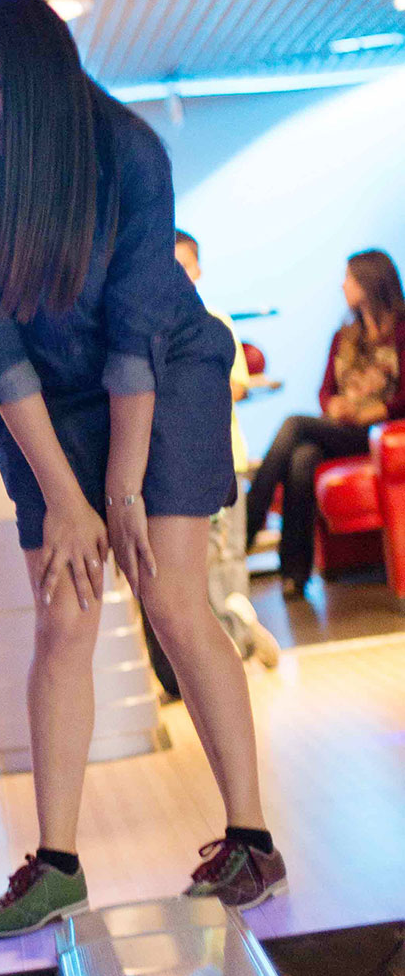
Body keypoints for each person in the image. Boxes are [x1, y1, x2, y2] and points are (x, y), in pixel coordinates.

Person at [0, 0, 284, 937]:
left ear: (39, 79)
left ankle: (251, 840)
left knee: (167, 595)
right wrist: (68, 502)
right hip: (42, 398)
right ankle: (58, 865)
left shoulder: (124, 154)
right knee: (65, 616)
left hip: (164, 369)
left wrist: (119, 487)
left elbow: (137, 329)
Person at [245, 249, 405, 596]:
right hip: (343, 428)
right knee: (302, 458)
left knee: (294, 424)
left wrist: (368, 412)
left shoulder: (402, 333)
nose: (342, 285)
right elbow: (324, 392)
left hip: (377, 432)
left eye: (348, 278)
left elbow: (403, 397)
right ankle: (294, 575)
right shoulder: (344, 335)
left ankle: (249, 520)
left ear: (369, 281)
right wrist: (334, 407)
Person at [172, 230, 280, 669]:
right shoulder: (152, 323)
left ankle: (239, 640)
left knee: (230, 554)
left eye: (184, 265)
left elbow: (235, 384)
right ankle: (226, 646)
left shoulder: (216, 320)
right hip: (181, 466)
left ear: (197, 269)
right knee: (198, 562)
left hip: (225, 458)